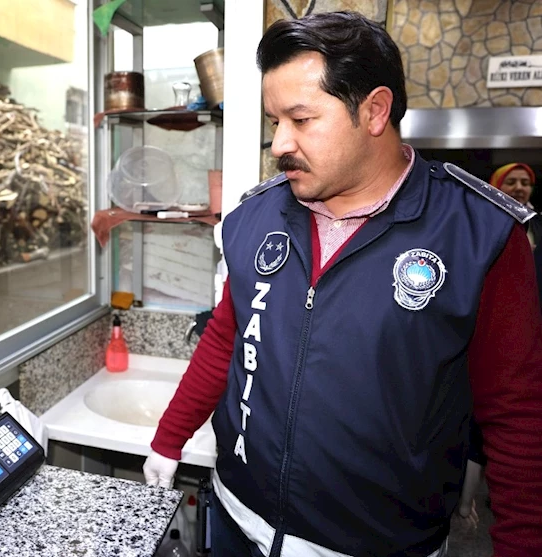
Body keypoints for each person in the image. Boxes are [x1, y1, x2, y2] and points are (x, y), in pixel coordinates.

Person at [142, 11, 542, 557]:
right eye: (273, 121)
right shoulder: (255, 219)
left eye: (301, 119)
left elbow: (519, 416)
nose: (280, 143)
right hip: (236, 520)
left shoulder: (482, 236)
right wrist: (169, 440)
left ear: (375, 111)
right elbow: (226, 338)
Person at [489, 162, 542, 249]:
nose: (519, 188)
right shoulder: (482, 219)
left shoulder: (538, 220)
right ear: (495, 187)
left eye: (525, 183)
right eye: (510, 182)